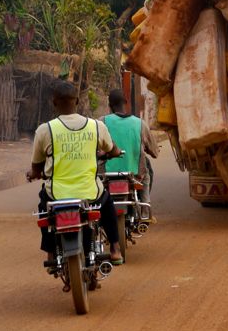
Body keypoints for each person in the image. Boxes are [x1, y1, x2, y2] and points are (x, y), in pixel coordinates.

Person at [28, 81, 124, 265]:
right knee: (108, 204)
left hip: (56, 195)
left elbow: (36, 168)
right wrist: (115, 152)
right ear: (77, 101)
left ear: (54, 102)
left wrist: (33, 173)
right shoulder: (96, 126)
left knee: (43, 209)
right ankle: (115, 247)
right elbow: (112, 149)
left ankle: (49, 251)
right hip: (90, 193)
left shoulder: (44, 130)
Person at [101, 89, 159, 204]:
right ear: (126, 102)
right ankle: (145, 209)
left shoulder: (101, 122)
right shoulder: (140, 124)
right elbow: (155, 153)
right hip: (134, 176)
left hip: (107, 176)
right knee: (147, 175)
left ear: (110, 106)